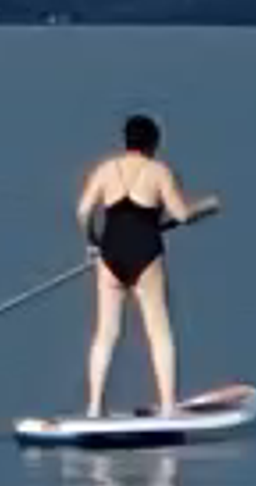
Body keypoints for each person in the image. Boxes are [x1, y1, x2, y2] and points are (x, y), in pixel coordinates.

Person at [74, 113, 218, 417]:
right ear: (154, 143)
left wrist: (92, 242)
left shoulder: (105, 170)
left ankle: (94, 406)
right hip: (146, 254)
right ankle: (168, 407)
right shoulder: (159, 172)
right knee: (159, 332)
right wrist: (206, 207)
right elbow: (181, 216)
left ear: (126, 141)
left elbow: (83, 211)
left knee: (106, 333)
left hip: (109, 254)